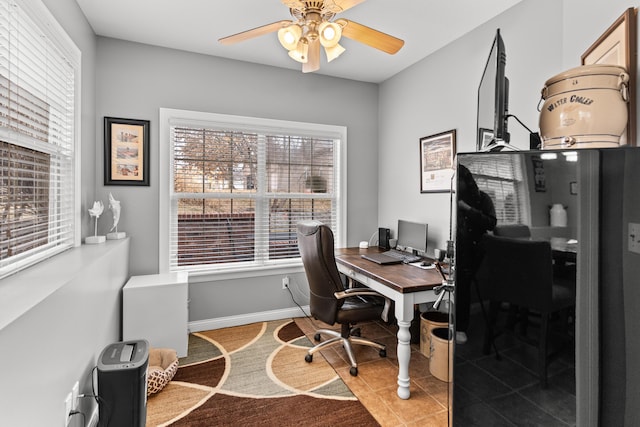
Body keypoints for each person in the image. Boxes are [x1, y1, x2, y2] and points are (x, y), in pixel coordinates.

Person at [455, 164, 496, 344]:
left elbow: (491, 223)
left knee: (463, 285)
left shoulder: (482, 199)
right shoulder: (451, 198)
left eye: (459, 180)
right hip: (455, 248)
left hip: (473, 249)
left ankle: (461, 327)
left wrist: (467, 209)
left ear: (466, 180)